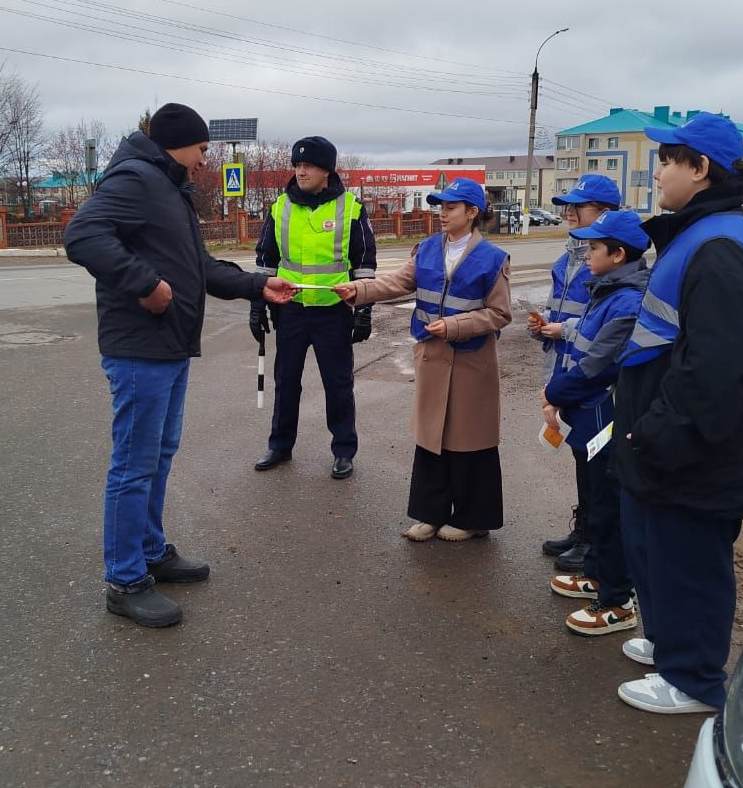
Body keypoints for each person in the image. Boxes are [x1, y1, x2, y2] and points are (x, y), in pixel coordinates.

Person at [64, 102, 295, 629]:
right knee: (134, 462)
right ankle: (125, 580)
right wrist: (147, 286)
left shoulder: (169, 188)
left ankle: (149, 551)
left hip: (168, 346)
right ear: (178, 143)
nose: (205, 157)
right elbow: (82, 236)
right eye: (201, 148)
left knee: (158, 454)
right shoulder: (136, 179)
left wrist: (260, 284)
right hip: (139, 347)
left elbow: (199, 268)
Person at [612, 112, 743, 714]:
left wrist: (657, 433)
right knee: (661, 549)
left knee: (691, 558)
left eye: (667, 161)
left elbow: (712, 370)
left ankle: (692, 679)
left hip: (694, 442)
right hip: (671, 435)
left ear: (700, 169)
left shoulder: (719, 248)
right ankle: (670, 644)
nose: (657, 171)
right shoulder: (701, 232)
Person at [332, 178, 511, 541]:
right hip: (432, 356)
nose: (442, 214)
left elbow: (500, 314)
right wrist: (359, 290)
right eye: (440, 207)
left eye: (450, 207)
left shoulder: (493, 259)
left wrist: (457, 325)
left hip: (472, 362)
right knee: (432, 437)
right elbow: (397, 283)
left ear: (472, 212)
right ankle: (430, 513)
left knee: (469, 441)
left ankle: (471, 518)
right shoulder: (428, 249)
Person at [540, 209, 649, 636]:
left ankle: (617, 601)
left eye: (595, 248)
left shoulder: (626, 300)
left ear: (618, 255)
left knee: (608, 507)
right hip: (587, 415)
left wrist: (555, 394)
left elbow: (599, 366)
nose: (586, 254)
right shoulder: (607, 290)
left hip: (605, 417)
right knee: (594, 498)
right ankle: (597, 576)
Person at [251, 137, 377, 480]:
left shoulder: (350, 207)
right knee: (286, 381)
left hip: (333, 311)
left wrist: (364, 308)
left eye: (308, 166)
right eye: (297, 165)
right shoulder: (280, 207)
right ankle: (280, 446)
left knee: (338, 384)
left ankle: (343, 450)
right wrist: (256, 305)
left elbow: (364, 261)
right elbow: (265, 261)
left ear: (327, 171)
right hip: (290, 309)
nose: (300, 171)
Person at [529, 174, 622, 572]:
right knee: (581, 455)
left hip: (595, 379)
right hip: (566, 370)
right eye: (567, 205)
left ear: (603, 214)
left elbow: (603, 326)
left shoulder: (611, 258)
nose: (568, 212)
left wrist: (561, 329)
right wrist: (544, 328)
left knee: (599, 461)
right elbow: (562, 311)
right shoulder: (566, 258)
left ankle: (597, 542)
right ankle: (584, 529)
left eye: (577, 206)